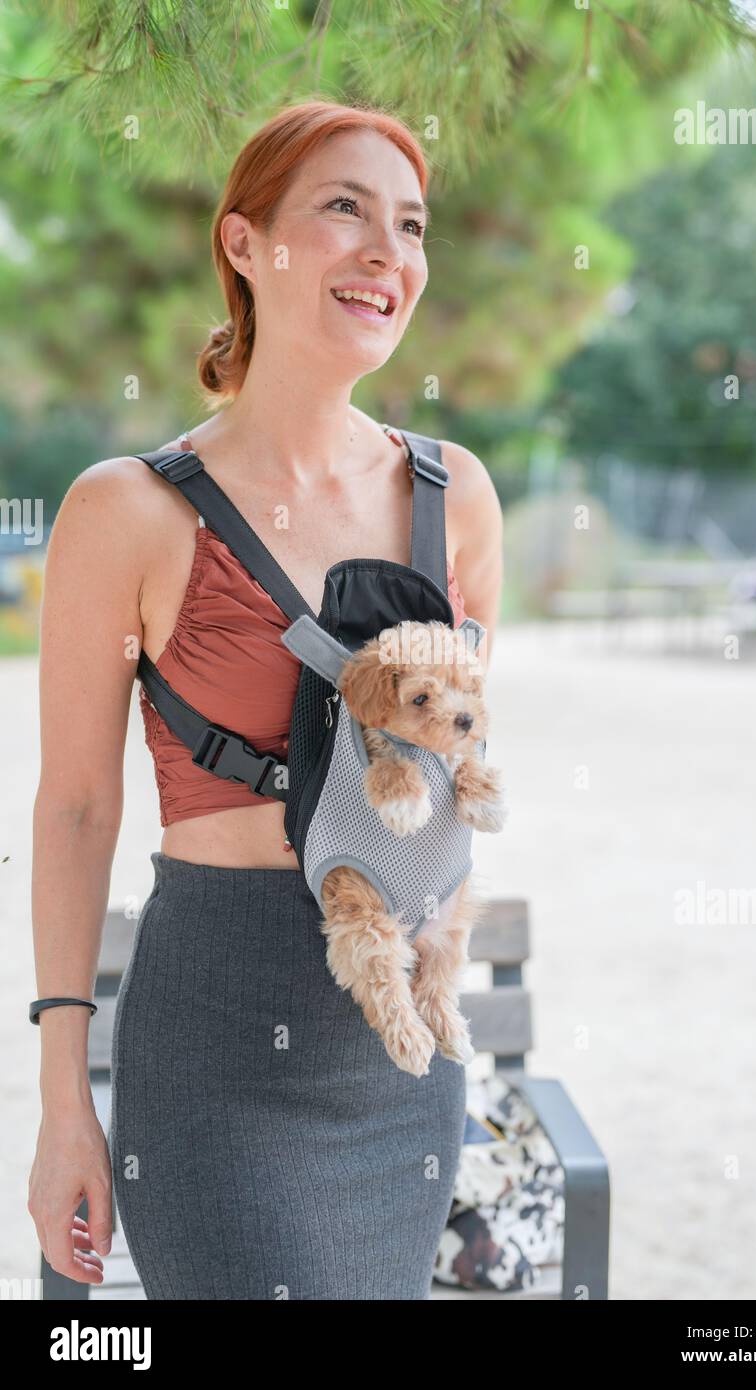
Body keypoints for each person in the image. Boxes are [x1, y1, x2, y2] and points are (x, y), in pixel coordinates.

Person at [28, 99, 503, 1300]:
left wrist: (440, 959)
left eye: (409, 224)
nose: (385, 252)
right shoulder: (124, 510)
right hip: (214, 1044)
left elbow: (454, 769)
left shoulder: (460, 496)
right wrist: (60, 1109)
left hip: (396, 1062)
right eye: (343, 209)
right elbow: (79, 808)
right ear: (245, 244)